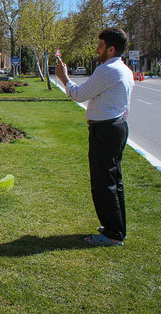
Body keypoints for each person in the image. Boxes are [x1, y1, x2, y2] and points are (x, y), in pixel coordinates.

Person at [55, 27, 134, 247]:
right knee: (114, 180)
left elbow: (79, 94)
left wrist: (64, 78)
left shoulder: (107, 70)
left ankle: (112, 234)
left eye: (100, 46)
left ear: (110, 49)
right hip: (117, 127)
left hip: (105, 130)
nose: (96, 50)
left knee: (103, 183)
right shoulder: (124, 70)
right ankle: (117, 227)